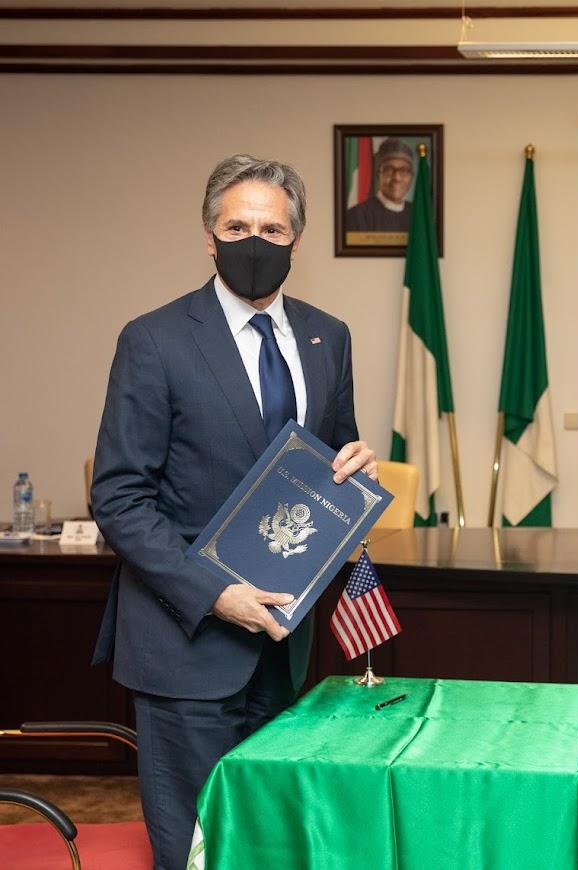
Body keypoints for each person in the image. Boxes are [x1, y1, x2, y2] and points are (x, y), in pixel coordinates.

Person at [90, 154, 378, 870]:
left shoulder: (327, 336)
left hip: (286, 643)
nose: (256, 240)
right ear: (209, 236)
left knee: (274, 843)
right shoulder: (154, 340)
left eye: (272, 228)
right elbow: (119, 499)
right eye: (238, 225)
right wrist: (216, 594)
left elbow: (330, 456)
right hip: (185, 647)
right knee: (196, 850)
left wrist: (356, 470)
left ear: (296, 240)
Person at [345, 137, 415, 234]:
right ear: (378, 175)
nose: (397, 178)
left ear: (411, 177)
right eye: (389, 169)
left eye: (403, 171)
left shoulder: (418, 214)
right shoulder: (356, 216)